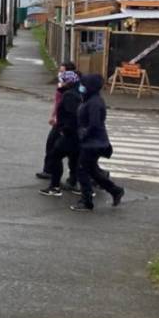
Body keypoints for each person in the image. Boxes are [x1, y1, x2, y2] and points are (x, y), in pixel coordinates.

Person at [71, 74, 125, 212]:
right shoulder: (90, 99)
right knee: (92, 170)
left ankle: (87, 201)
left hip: (93, 143)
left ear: (90, 86)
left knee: (82, 170)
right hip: (94, 141)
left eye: (84, 84)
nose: (81, 87)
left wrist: (83, 134)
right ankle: (115, 190)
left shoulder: (95, 102)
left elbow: (94, 123)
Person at [39, 70, 81, 196]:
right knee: (74, 159)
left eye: (62, 81)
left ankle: (55, 186)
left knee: (55, 156)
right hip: (75, 134)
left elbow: (72, 115)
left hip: (69, 134)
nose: (59, 83)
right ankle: (75, 183)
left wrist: (64, 130)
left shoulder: (69, 96)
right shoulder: (74, 93)